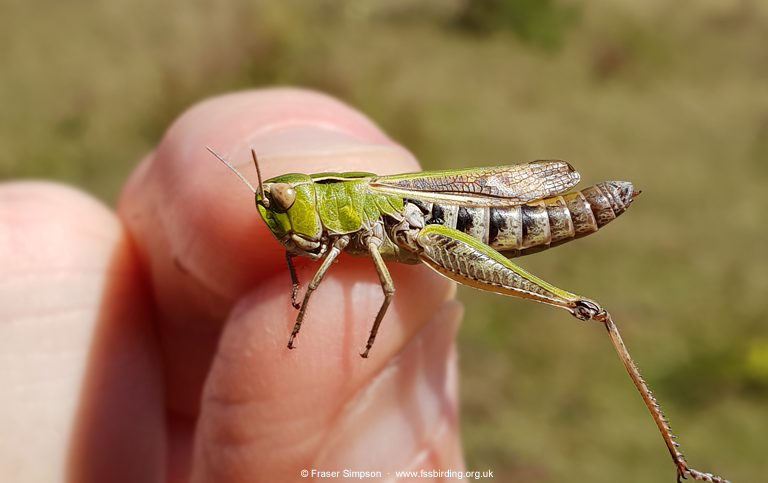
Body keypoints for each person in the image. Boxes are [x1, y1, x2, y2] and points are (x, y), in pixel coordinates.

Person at [0, 89, 464, 482]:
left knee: (378, 288)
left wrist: (332, 328)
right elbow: (298, 250)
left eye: (282, 198)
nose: (273, 210)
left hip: (464, 211)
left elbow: (380, 288)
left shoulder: (345, 200)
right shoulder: (311, 229)